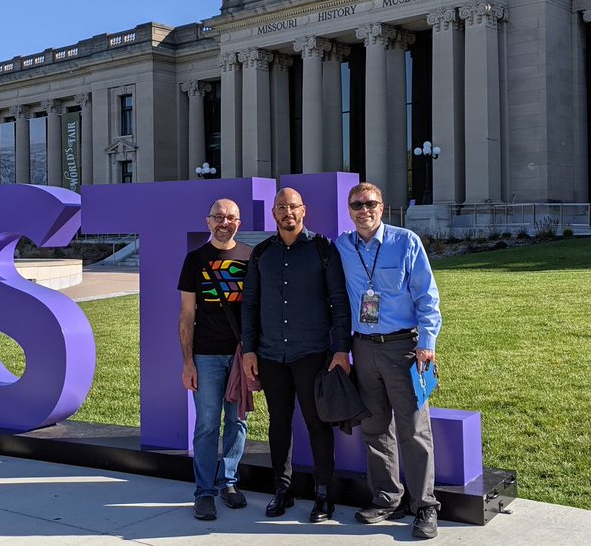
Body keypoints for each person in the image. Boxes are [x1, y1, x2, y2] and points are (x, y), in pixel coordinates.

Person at [336, 181, 443, 539]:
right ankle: (386, 497)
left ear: (382, 207)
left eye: (370, 203)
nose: (363, 210)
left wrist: (427, 344)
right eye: (356, 205)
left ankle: (424, 506)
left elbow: (427, 296)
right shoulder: (342, 246)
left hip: (403, 348)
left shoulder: (406, 242)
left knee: (413, 428)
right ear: (349, 210)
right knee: (374, 426)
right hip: (362, 347)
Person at [240, 187, 351, 523]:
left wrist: (342, 348)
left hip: (312, 353)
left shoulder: (322, 249)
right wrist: (248, 350)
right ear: (273, 214)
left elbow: (339, 302)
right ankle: (282, 490)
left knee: (317, 424)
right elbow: (250, 305)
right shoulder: (261, 254)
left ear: (304, 210)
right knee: (279, 424)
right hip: (271, 354)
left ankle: (323, 495)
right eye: (281, 207)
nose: (287, 212)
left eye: (292, 206)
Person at [178, 198, 252, 521]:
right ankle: (204, 492)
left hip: (240, 355)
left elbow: (256, 311)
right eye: (219, 217)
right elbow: (186, 315)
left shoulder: (252, 257)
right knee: (207, 425)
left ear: (239, 222)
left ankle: (229, 483)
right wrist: (187, 362)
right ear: (208, 222)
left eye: (232, 217)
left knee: (237, 421)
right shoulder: (194, 260)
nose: (225, 222)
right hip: (205, 356)